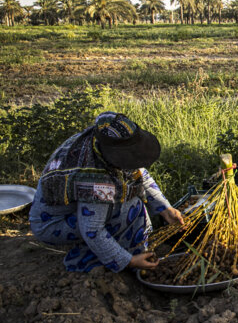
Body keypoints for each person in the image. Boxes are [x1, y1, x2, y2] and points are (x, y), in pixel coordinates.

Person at [29, 112, 184, 272]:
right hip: (52, 225)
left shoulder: (97, 142)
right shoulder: (96, 181)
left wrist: (165, 209)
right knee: (127, 208)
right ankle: (87, 261)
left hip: (72, 213)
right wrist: (128, 260)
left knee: (131, 204)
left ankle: (117, 250)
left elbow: (140, 173)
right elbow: (92, 230)